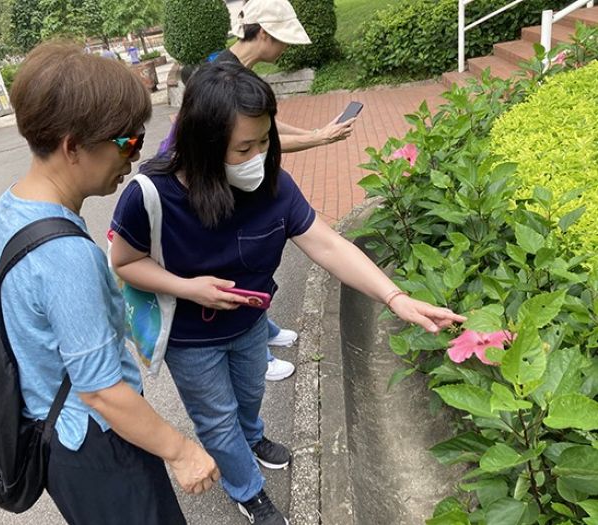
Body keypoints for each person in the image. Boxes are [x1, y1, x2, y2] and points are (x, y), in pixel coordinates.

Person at [110, 62, 465, 525]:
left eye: (265, 141)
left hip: (250, 323)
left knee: (250, 394)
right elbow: (125, 263)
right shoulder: (150, 195)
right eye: (244, 148)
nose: (258, 156)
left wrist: (396, 297)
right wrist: (188, 288)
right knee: (217, 418)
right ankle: (248, 489)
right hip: (190, 338)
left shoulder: (273, 184)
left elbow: (327, 243)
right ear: (203, 143)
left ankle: (252, 437)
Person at [0, 42, 218, 525]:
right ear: (72, 146)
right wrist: (182, 451)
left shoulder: (13, 205)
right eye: (127, 143)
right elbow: (100, 391)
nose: (134, 158)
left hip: (53, 431)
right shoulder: (66, 256)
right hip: (98, 444)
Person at [166, 0, 358, 382]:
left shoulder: (235, 68)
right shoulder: (218, 74)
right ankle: (255, 356)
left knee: (250, 259)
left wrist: (317, 133)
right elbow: (247, 144)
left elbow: (263, 127)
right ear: (265, 33)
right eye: (284, 39)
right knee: (233, 263)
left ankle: (261, 329)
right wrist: (320, 139)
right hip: (207, 184)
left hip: (228, 179)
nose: (286, 49)